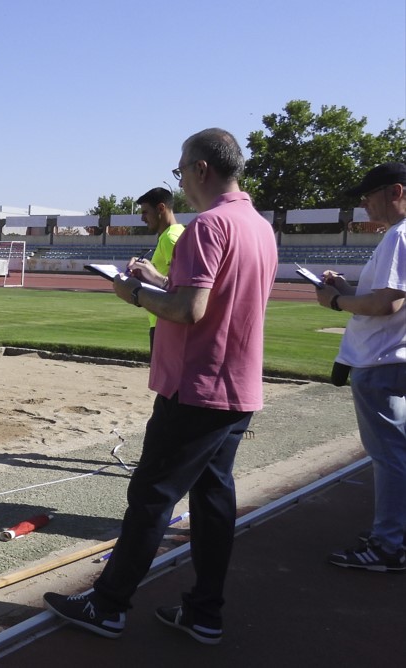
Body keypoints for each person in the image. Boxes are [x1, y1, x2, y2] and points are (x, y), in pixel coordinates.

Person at [43, 128, 278, 645]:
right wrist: (159, 280)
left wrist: (133, 293)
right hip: (236, 386)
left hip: (195, 387)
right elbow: (216, 298)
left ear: (200, 170)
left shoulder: (208, 226)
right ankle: (205, 612)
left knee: (152, 497)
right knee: (214, 499)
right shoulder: (259, 226)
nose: (181, 181)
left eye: (180, 170)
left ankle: (108, 606)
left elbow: (189, 310)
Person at [313, 162, 406, 572]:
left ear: (396, 191)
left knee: (389, 456)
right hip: (390, 358)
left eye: (370, 194)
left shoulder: (399, 236)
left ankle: (390, 544)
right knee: (395, 452)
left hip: (381, 360)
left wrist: (334, 301)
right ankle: (394, 533)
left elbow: (386, 304)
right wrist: (348, 290)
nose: (364, 203)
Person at [128, 187, 186, 355]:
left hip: (165, 321)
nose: (142, 218)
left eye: (145, 212)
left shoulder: (170, 238)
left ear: (161, 208)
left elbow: (180, 285)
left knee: (163, 380)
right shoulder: (176, 233)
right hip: (163, 319)